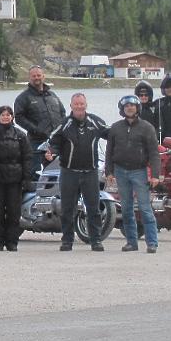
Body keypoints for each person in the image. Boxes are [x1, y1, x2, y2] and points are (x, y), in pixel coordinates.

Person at [46, 93, 110, 252]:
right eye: (76, 105)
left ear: (86, 105)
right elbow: (53, 141)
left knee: (94, 208)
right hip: (69, 172)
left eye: (82, 104)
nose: (79, 107)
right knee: (68, 208)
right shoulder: (65, 124)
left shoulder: (95, 122)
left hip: (90, 172)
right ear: (71, 106)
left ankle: (96, 240)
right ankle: (67, 240)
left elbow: (112, 134)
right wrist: (51, 152)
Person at [106, 95, 162, 254]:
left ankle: (152, 242)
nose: (130, 108)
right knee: (126, 208)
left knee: (145, 207)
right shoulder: (115, 127)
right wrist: (109, 171)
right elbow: (109, 151)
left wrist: (155, 175)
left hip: (139, 171)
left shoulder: (147, 127)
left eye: (132, 105)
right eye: (126, 106)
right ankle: (131, 242)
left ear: (138, 108)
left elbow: (154, 153)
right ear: (122, 109)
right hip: (120, 171)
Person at [0, 106, 31, 251]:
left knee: (14, 213)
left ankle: (12, 242)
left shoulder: (20, 135)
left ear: (12, 117)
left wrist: (26, 178)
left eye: (8, 114)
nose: (5, 117)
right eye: (2, 115)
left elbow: (27, 157)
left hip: (15, 179)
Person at [15, 66, 66, 177]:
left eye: (39, 75)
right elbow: (18, 117)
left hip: (56, 142)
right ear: (29, 78)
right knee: (36, 173)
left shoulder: (52, 95)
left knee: (57, 171)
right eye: (34, 76)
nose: (36, 78)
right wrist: (36, 129)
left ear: (43, 76)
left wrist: (61, 129)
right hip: (36, 143)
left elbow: (62, 112)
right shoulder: (23, 98)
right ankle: (34, 193)